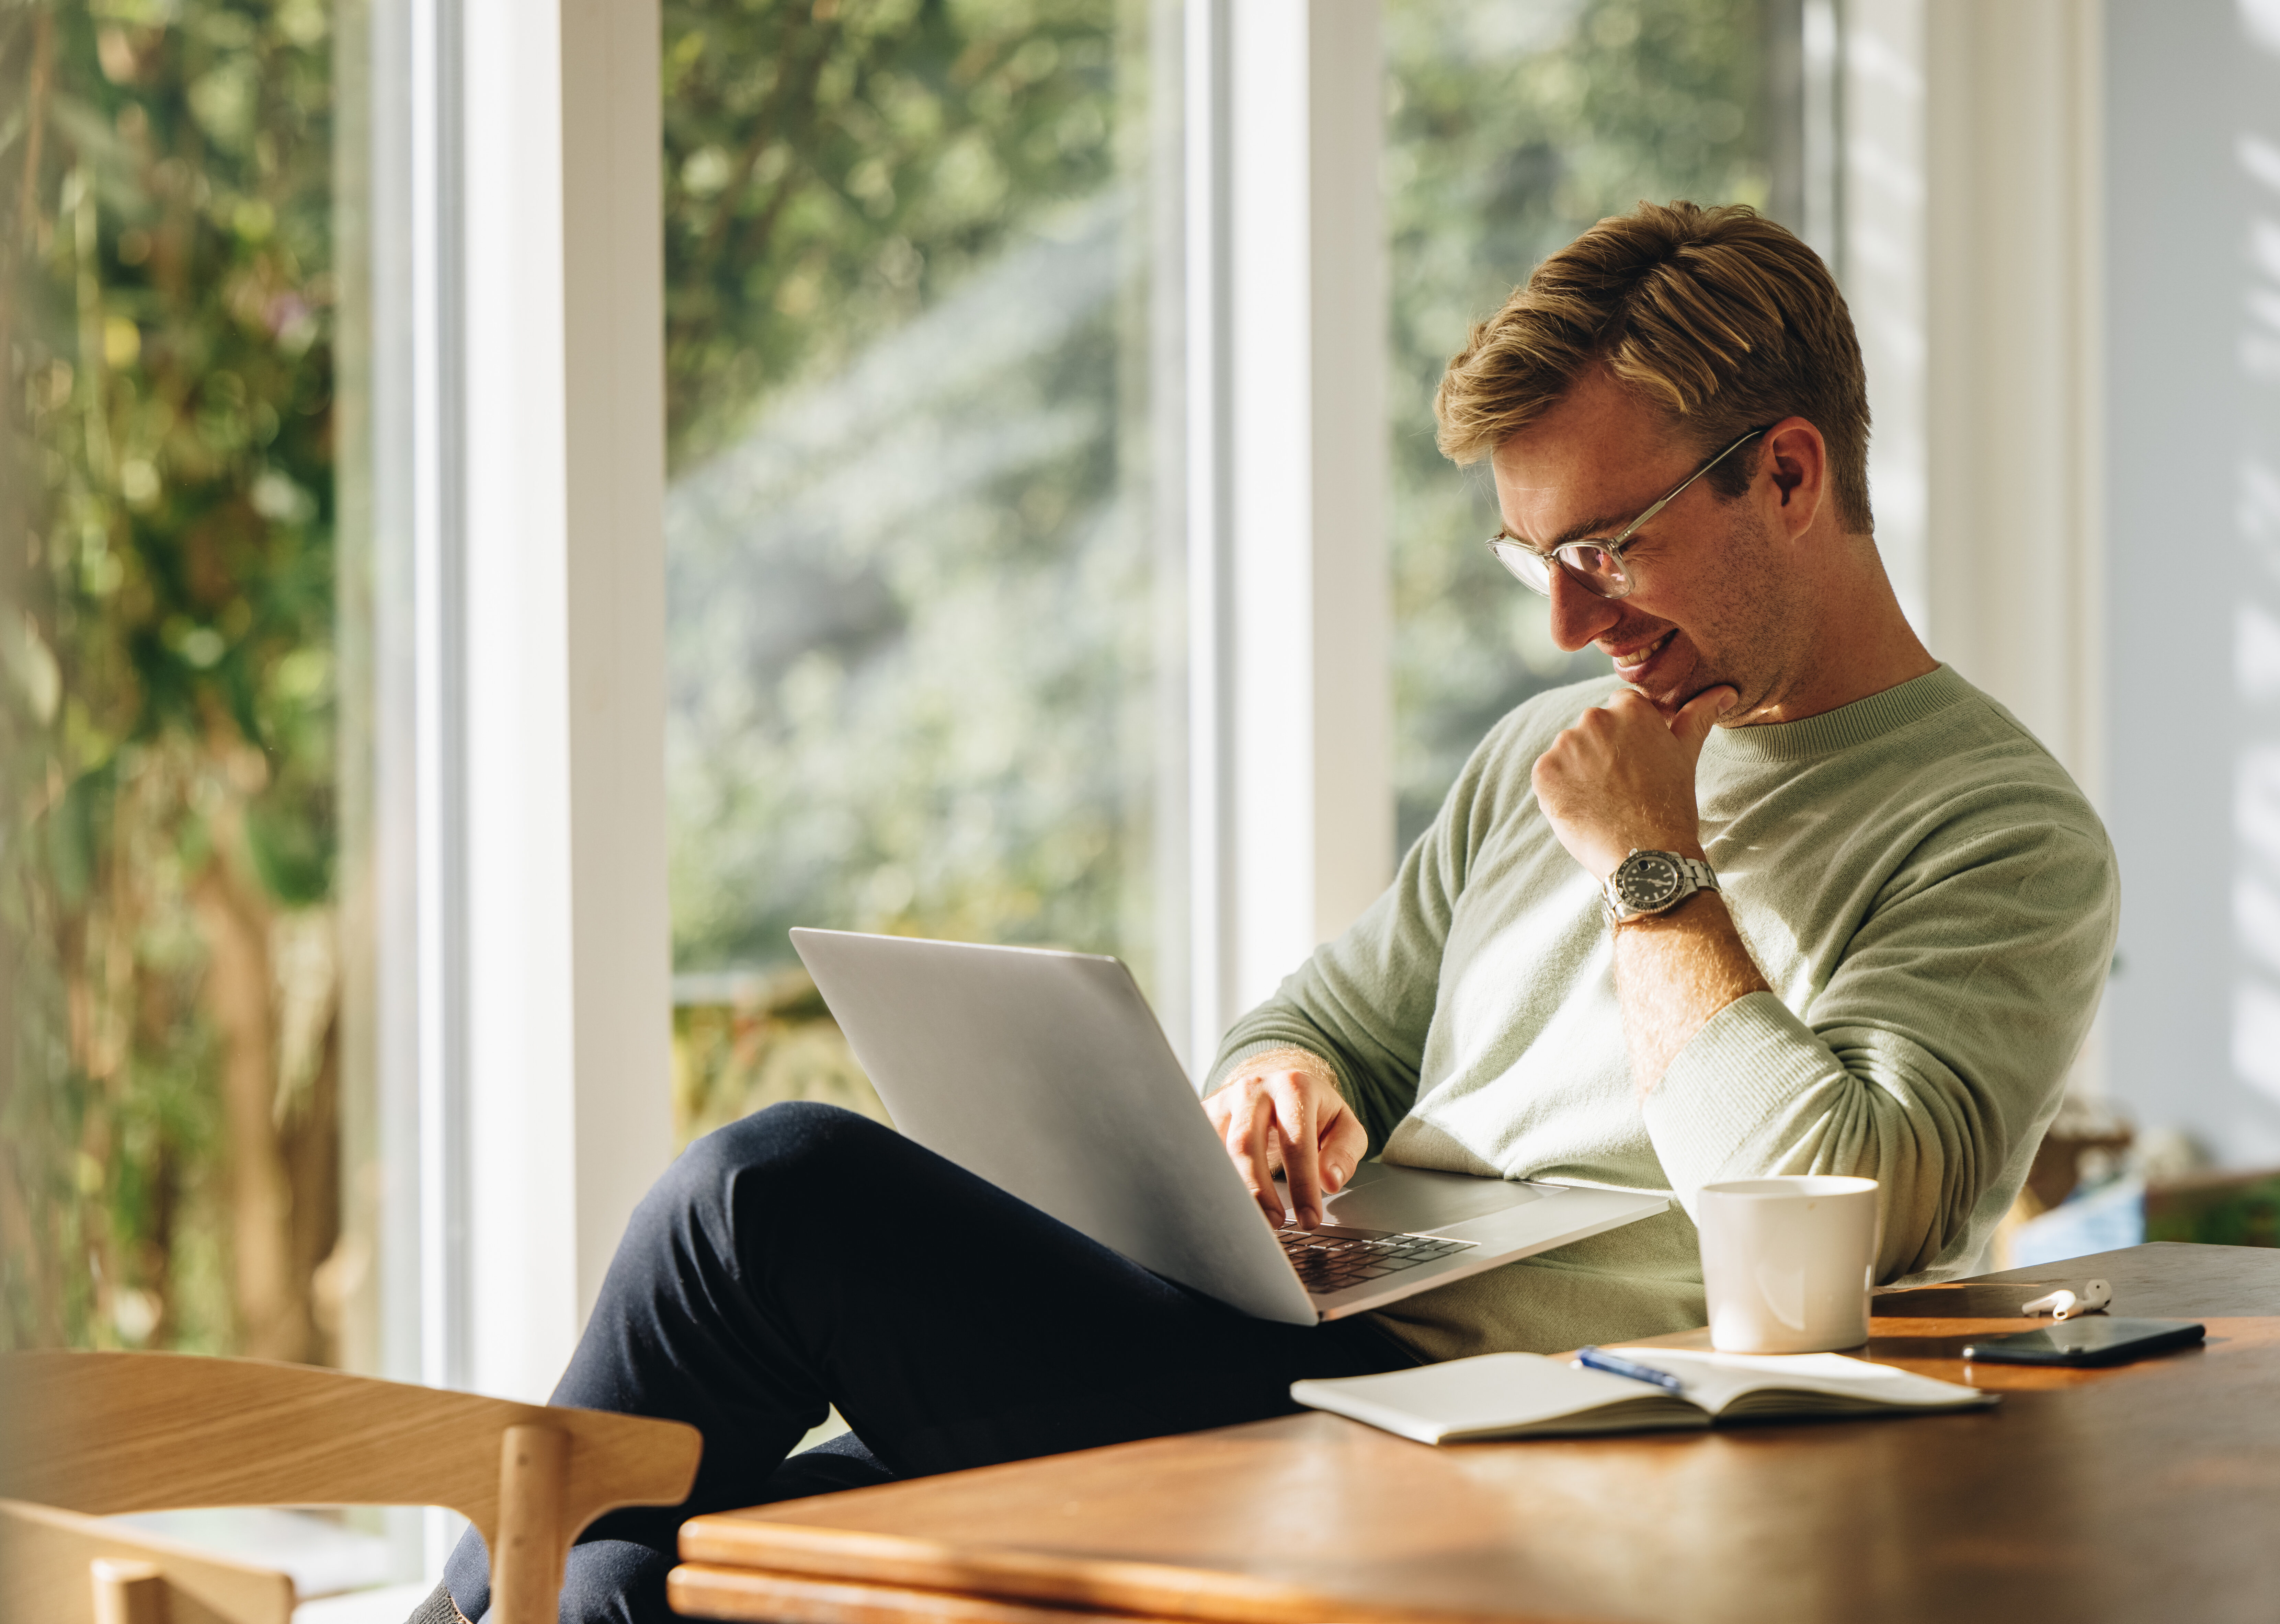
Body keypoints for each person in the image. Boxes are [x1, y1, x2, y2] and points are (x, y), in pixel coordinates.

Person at [409, 201, 2117, 1624]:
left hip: (1510, 1438)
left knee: (764, 1192)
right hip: (1282, 1347)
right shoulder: (1544, 751)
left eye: (1607, 547)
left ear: (1789, 475)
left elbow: (1841, 1212)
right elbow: (1325, 1020)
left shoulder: (2001, 835)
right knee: (633, 1568)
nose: (1564, 626)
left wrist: (1649, 867)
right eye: (1534, 561)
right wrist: (1274, 1085)